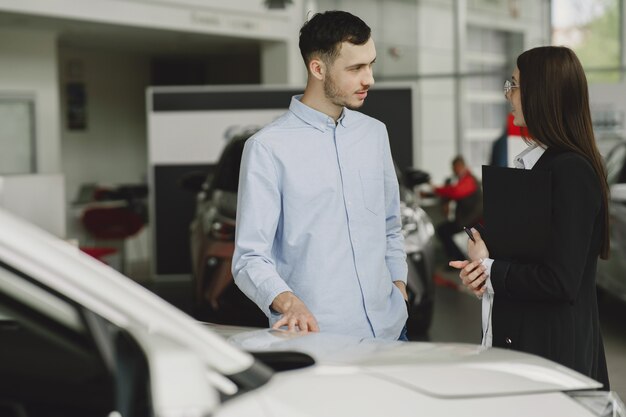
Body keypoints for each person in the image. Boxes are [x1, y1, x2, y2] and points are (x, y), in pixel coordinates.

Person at [232, 11, 409, 341]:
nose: (369, 78)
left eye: (370, 64)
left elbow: (389, 224)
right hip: (319, 337)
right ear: (317, 68)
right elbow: (249, 258)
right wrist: (288, 303)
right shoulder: (267, 148)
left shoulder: (375, 134)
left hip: (392, 330)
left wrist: (399, 286)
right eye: (356, 68)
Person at [451, 46, 610, 389]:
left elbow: (560, 279)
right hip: (533, 352)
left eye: (516, 84)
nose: (509, 94)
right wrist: (483, 252)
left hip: (553, 363)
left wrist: (488, 270)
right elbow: (526, 242)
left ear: (542, 93)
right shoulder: (544, 164)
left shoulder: (571, 171)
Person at [428, 156, 482, 262]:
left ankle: (458, 259)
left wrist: (436, 189)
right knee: (443, 230)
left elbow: (456, 192)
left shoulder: (469, 179)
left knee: (443, 231)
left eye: (454, 168)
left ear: (459, 166)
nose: (453, 170)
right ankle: (457, 258)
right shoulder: (462, 179)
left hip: (474, 219)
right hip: (467, 218)